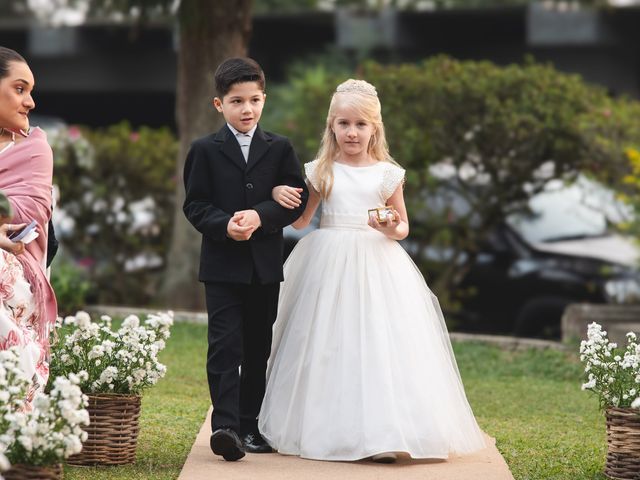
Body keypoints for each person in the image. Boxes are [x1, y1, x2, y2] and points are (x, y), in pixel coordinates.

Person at [258, 79, 486, 463]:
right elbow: (301, 222)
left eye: (360, 125)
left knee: (379, 342)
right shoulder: (320, 171)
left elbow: (402, 227)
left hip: (378, 261)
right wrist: (278, 195)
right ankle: (328, 428)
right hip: (327, 263)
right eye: (344, 123)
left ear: (374, 128)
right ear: (331, 126)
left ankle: (384, 434)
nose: (352, 132)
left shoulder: (387, 174)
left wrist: (389, 227)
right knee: (329, 343)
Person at [183, 57, 308, 462]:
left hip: (264, 268)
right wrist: (224, 224)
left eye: (254, 100)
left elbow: (294, 202)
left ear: (264, 100)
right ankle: (225, 427)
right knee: (224, 347)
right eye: (237, 101)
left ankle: (250, 425)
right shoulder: (204, 149)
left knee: (257, 347)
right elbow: (195, 205)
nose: (247, 109)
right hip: (221, 267)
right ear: (219, 104)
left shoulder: (280, 147)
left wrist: (261, 213)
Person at [0, 47, 57, 405]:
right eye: (19, 89)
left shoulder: (34, 149)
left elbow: (27, 216)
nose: (30, 102)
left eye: (30, 91)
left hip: (15, 267)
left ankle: (15, 399)